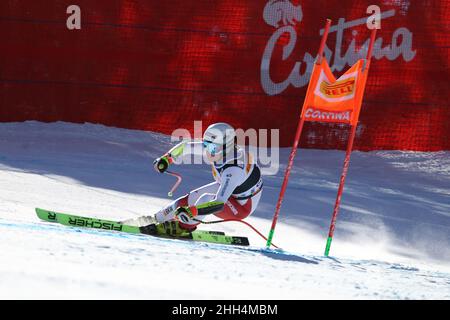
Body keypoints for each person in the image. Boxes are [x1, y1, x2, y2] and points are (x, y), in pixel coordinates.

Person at [123, 122, 263, 236]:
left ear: (226, 146)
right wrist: (167, 159)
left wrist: (193, 212)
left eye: (212, 147)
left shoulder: (233, 169)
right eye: (205, 145)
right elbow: (186, 147)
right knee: (191, 197)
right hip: (230, 190)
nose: (207, 150)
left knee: (205, 199)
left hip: (241, 206)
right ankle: (157, 218)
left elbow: (219, 203)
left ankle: (183, 227)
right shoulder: (219, 149)